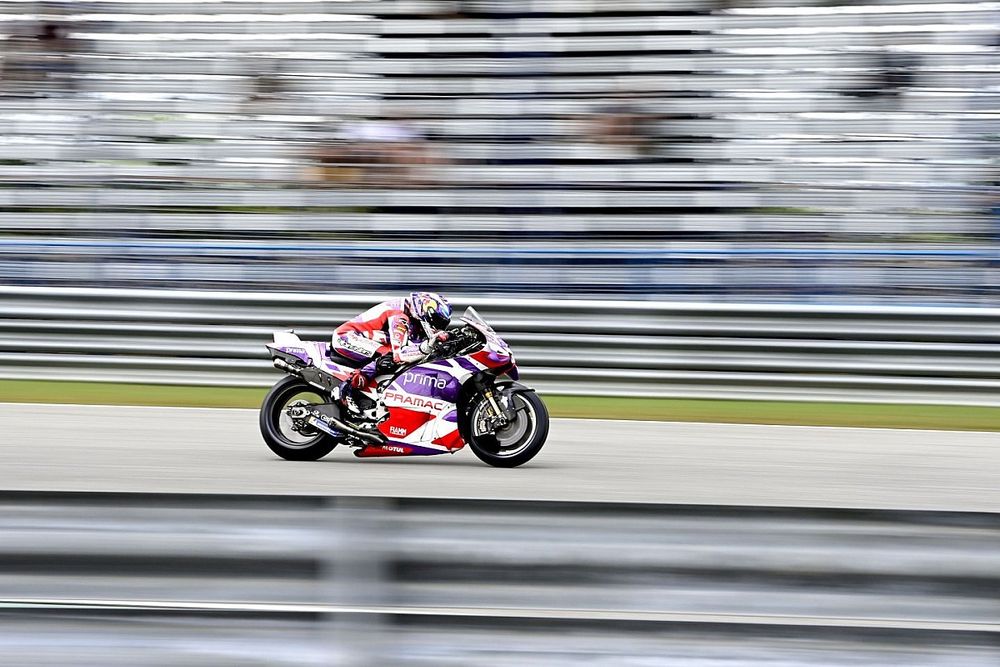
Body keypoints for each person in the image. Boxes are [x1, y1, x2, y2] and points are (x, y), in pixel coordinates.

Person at [331, 292, 452, 420]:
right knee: (390, 357)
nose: (438, 327)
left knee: (407, 352)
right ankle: (346, 389)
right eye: (438, 322)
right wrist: (426, 346)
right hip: (347, 337)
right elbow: (399, 355)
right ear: (426, 311)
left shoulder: (410, 313)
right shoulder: (400, 316)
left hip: (366, 337)